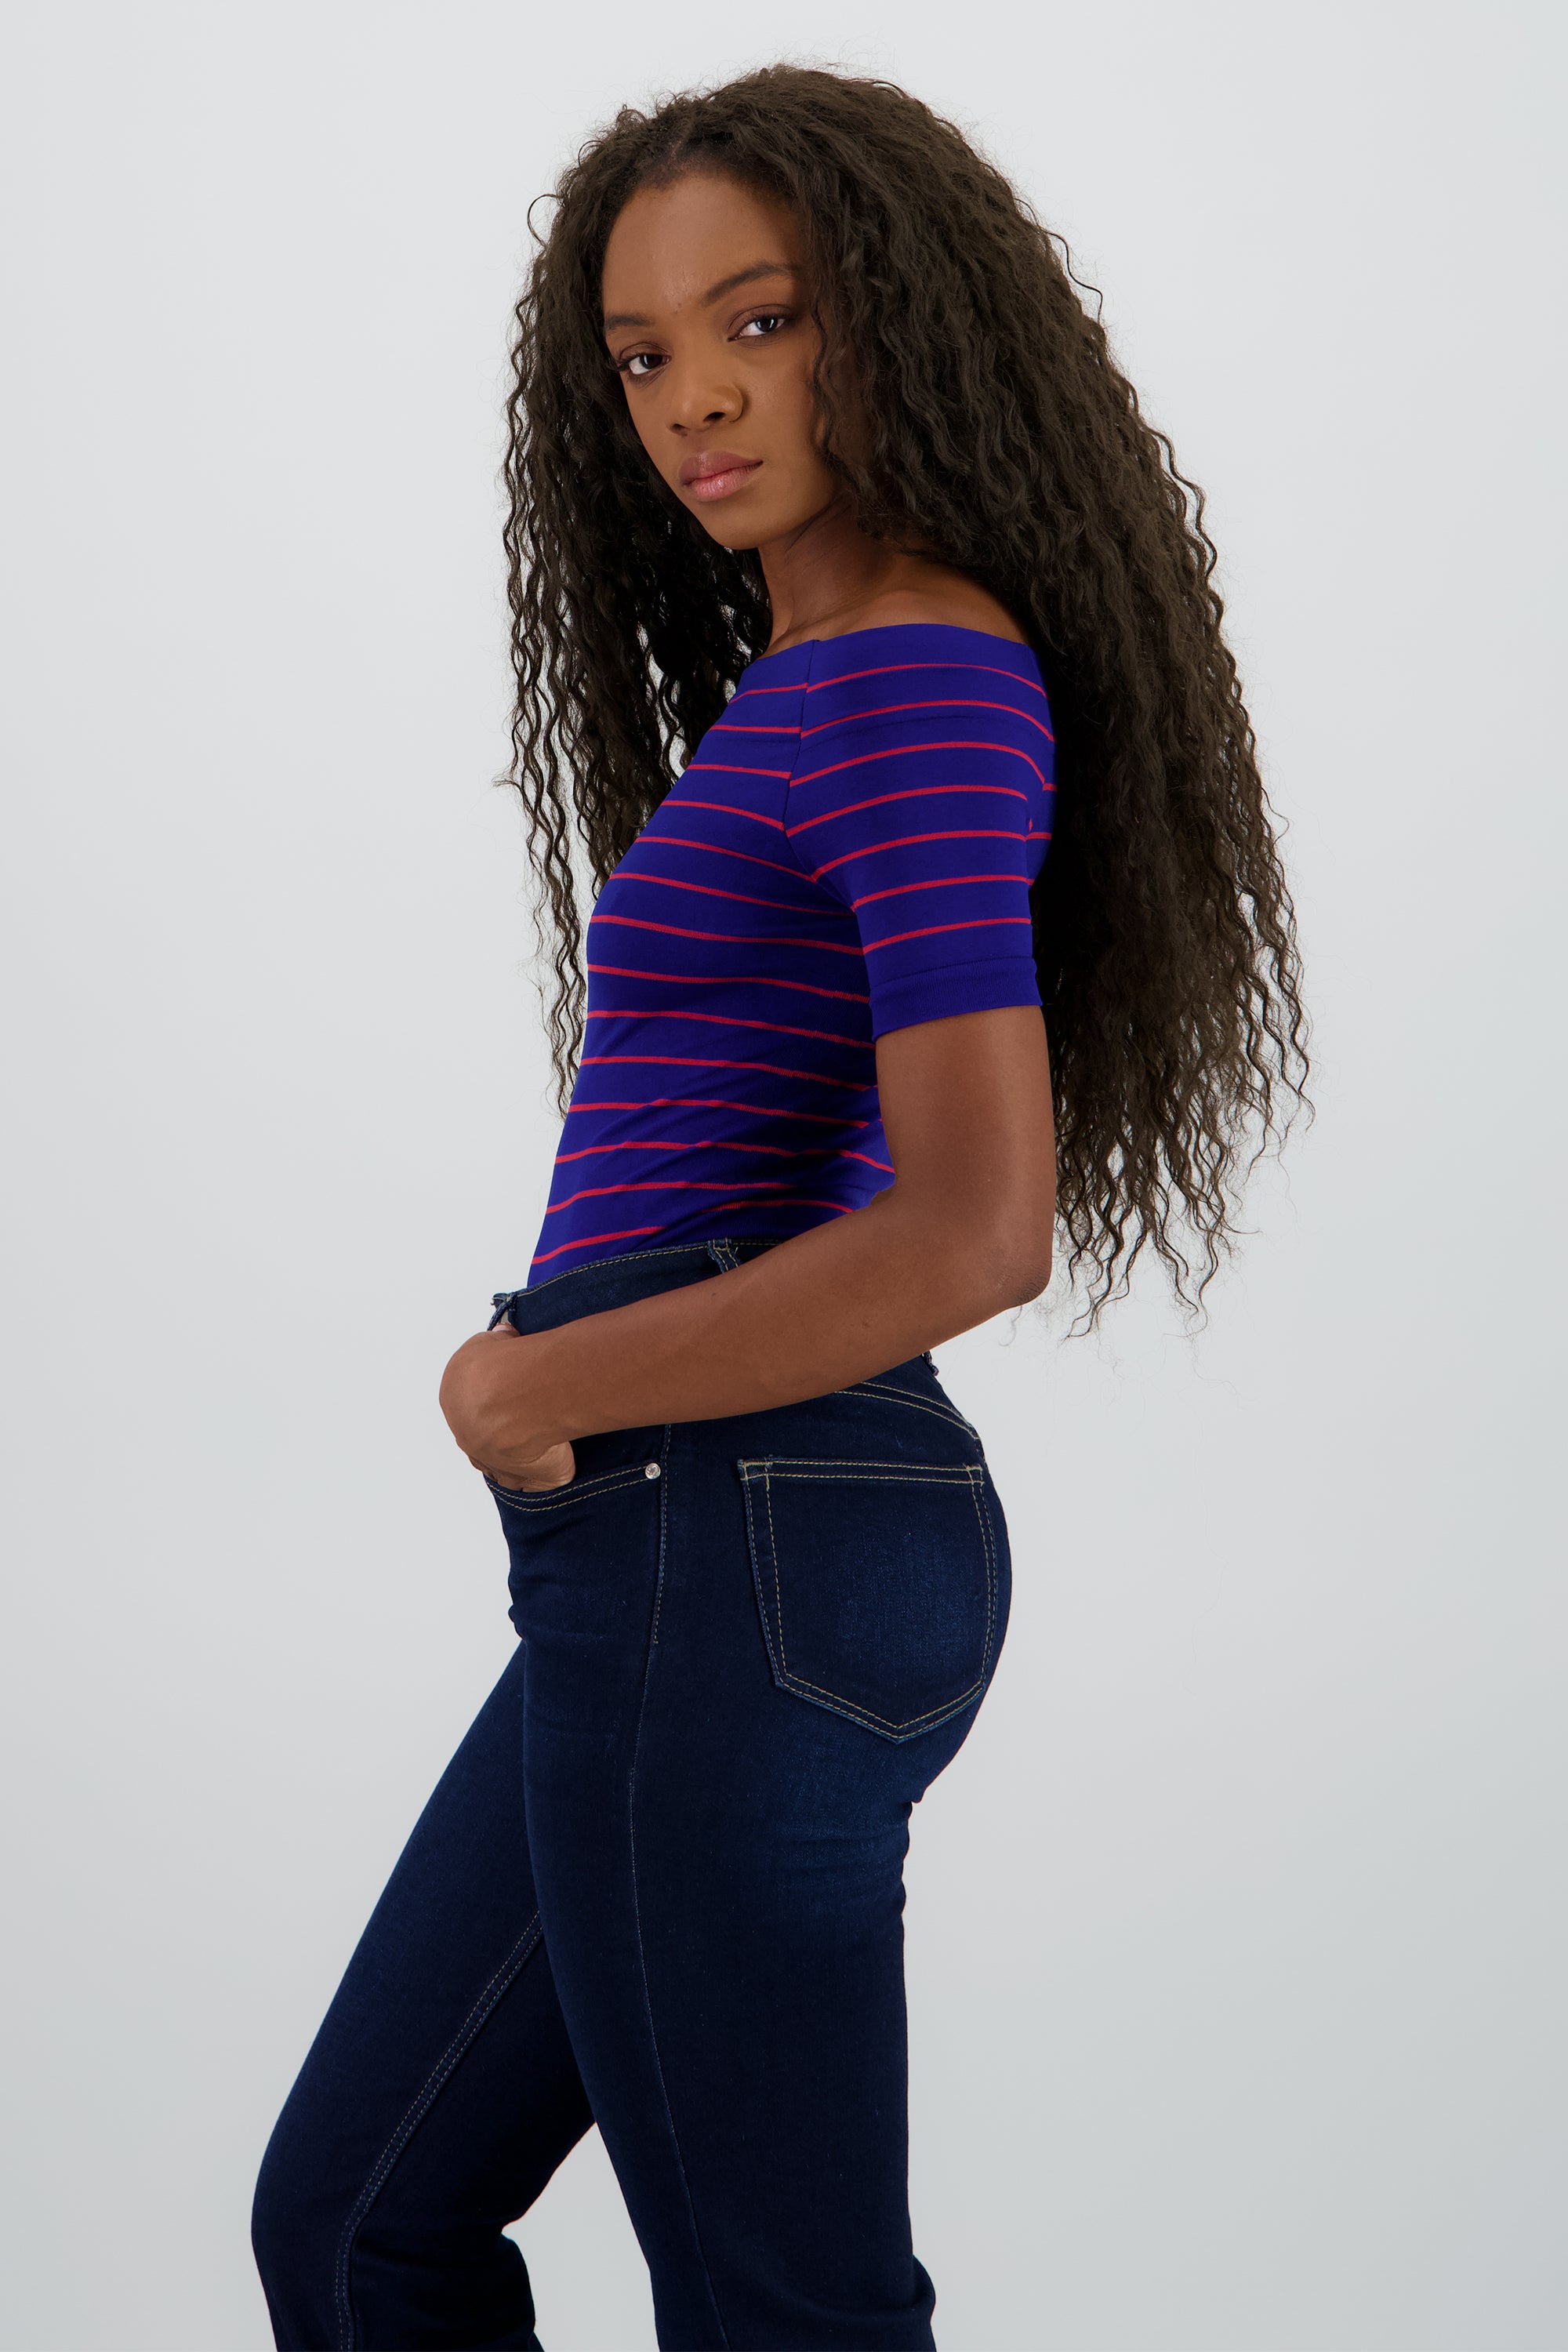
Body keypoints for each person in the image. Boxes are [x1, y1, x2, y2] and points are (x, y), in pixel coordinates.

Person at [252, 64, 1307, 2352]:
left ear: (898, 317)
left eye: (763, 319)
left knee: (778, 2316)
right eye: (644, 354)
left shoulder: (916, 674)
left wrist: (536, 1382)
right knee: (358, 2228)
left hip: (737, 1524)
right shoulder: (819, 679)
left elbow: (979, 1226)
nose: (697, 399)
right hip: (711, 1541)